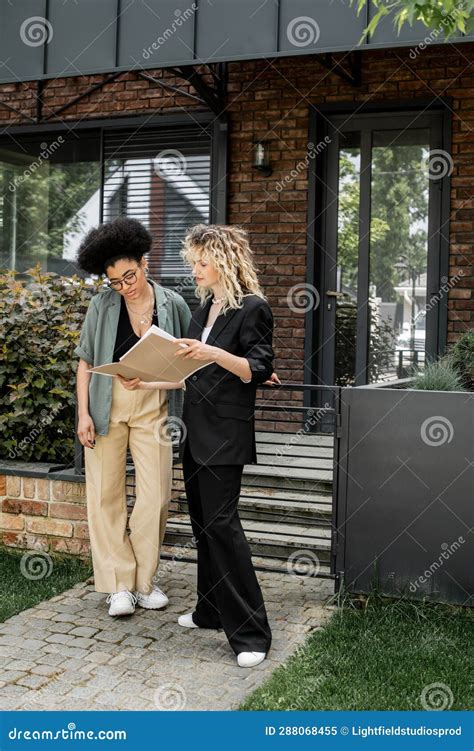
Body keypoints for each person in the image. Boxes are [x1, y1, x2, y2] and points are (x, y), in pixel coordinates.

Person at [173, 223, 280, 668]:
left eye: (202, 261)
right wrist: (148, 379)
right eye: (193, 262)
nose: (195, 269)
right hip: (195, 434)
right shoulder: (205, 308)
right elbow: (192, 372)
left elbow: (255, 369)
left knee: (222, 528)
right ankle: (210, 611)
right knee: (203, 527)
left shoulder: (253, 308)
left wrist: (213, 353)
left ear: (224, 260)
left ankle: (252, 633)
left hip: (226, 436)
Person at [74, 217, 191, 617]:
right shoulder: (102, 305)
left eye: (130, 276)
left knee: (155, 496)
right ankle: (119, 585)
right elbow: (86, 362)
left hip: (154, 409)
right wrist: (83, 414)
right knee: (104, 496)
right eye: (117, 282)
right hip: (107, 408)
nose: (126, 287)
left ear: (144, 263)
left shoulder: (172, 303)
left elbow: (189, 359)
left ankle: (144, 582)